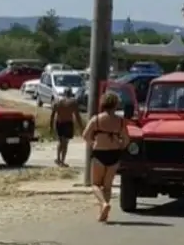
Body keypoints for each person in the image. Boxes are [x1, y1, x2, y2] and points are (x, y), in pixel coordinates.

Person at [82, 92, 130, 222]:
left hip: (99, 153)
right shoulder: (120, 121)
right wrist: (120, 145)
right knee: (107, 186)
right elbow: (126, 139)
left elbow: (85, 135)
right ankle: (104, 213)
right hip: (114, 153)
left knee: (95, 184)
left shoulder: (96, 119)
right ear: (115, 105)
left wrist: (93, 143)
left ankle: (103, 204)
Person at [49, 88, 83, 167]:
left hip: (59, 123)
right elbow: (77, 116)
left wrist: (50, 127)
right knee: (65, 143)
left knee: (61, 142)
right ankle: (62, 161)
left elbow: (52, 115)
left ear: (64, 93)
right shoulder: (73, 102)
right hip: (68, 124)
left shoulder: (57, 102)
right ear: (71, 93)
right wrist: (81, 126)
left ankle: (58, 158)